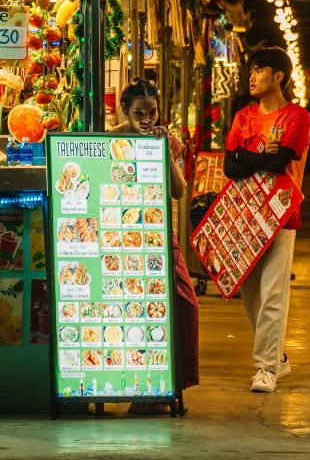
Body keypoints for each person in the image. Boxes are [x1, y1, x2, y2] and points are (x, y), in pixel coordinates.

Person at [223, 47, 310, 394]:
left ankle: (265, 368)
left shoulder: (297, 118)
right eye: (251, 70)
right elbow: (230, 166)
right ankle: (278, 357)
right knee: (250, 295)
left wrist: (246, 155)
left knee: (274, 291)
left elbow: (279, 164)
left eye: (259, 70)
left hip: (281, 214)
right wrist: (257, 156)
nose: (252, 76)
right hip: (245, 215)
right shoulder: (243, 115)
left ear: (278, 77)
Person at [110, 78, 199, 412]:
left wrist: (163, 151)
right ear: (125, 111)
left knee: (184, 305)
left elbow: (179, 190)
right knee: (135, 311)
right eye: (139, 113)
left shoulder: (166, 140)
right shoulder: (110, 139)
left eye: (152, 113)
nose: (147, 120)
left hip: (158, 233)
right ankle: (140, 390)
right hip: (120, 234)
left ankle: (172, 384)